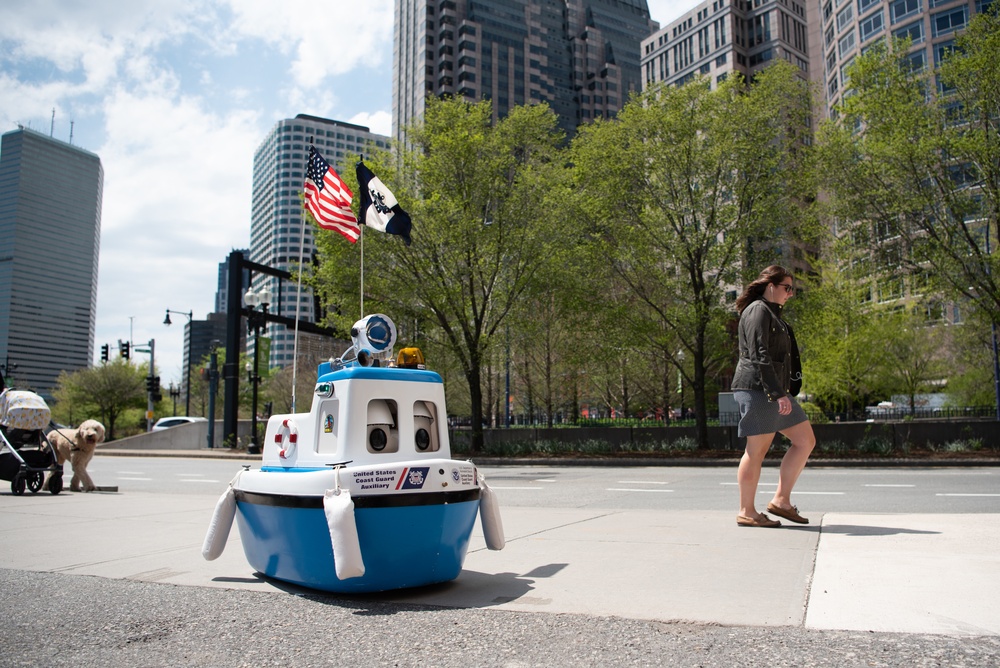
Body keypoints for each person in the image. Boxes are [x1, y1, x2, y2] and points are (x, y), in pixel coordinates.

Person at [731, 265, 815, 528]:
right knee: (756, 452)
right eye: (787, 287)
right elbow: (759, 355)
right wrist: (777, 393)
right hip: (758, 389)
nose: (790, 293)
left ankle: (781, 501)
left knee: (805, 440)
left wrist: (784, 391)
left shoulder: (773, 314)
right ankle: (747, 511)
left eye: (792, 289)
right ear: (771, 286)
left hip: (775, 391)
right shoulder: (758, 310)